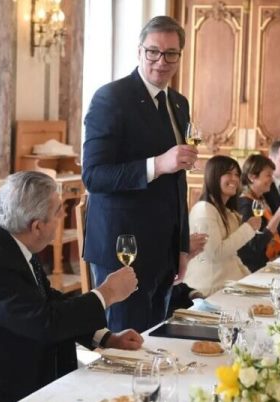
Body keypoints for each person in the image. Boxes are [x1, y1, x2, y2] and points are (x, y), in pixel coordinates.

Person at [0, 171, 142, 402]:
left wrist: (104, 338)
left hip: (13, 361)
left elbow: (44, 298)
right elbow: (44, 322)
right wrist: (106, 293)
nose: (64, 214)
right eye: (58, 210)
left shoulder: (8, 237)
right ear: (37, 226)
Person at [82, 16, 198, 332]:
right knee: (126, 345)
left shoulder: (179, 103)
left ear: (180, 56)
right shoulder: (111, 98)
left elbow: (178, 181)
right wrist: (157, 164)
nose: (161, 61)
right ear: (139, 51)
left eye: (171, 54)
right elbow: (93, 176)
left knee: (156, 339)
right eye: (153, 52)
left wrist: (181, 246)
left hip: (164, 249)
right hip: (123, 249)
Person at [182, 156, 261, 295]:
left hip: (227, 284)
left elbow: (232, 255)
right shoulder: (204, 210)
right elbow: (215, 254)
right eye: (228, 173)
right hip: (209, 289)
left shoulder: (225, 211)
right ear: (213, 176)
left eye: (237, 174)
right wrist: (248, 229)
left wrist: (249, 278)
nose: (234, 179)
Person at [237, 155, 280, 272]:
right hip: (254, 269)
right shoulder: (245, 204)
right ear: (252, 177)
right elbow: (254, 245)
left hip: (271, 260)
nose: (272, 179)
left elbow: (273, 229)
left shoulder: (261, 198)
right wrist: (278, 216)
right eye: (268, 175)